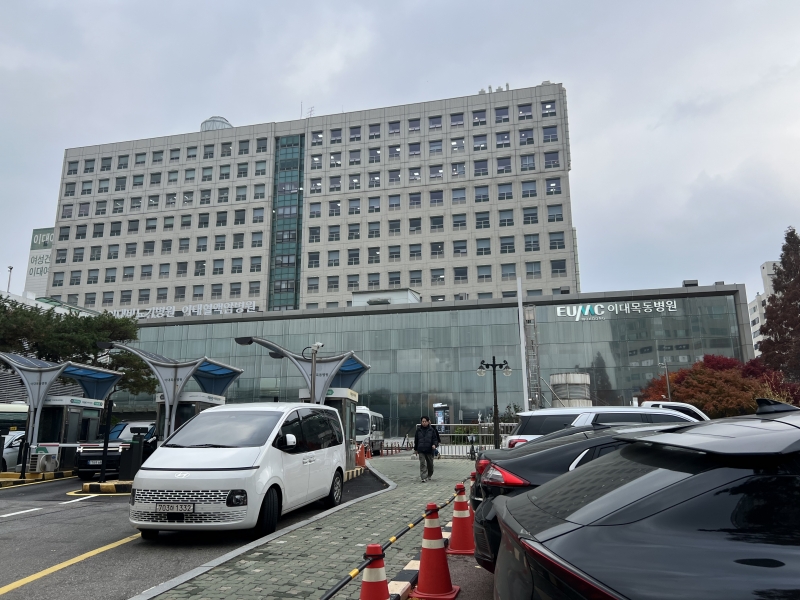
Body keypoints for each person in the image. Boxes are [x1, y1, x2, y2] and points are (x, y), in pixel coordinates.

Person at [414, 416, 440, 483]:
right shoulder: (418, 430)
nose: (424, 423)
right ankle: (423, 477)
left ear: (428, 422)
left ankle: (429, 474)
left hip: (429, 449)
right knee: (422, 463)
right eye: (423, 421)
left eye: (425, 421)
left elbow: (435, 439)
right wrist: (416, 449)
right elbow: (416, 440)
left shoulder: (432, 430)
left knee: (430, 464)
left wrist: (434, 445)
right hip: (421, 449)